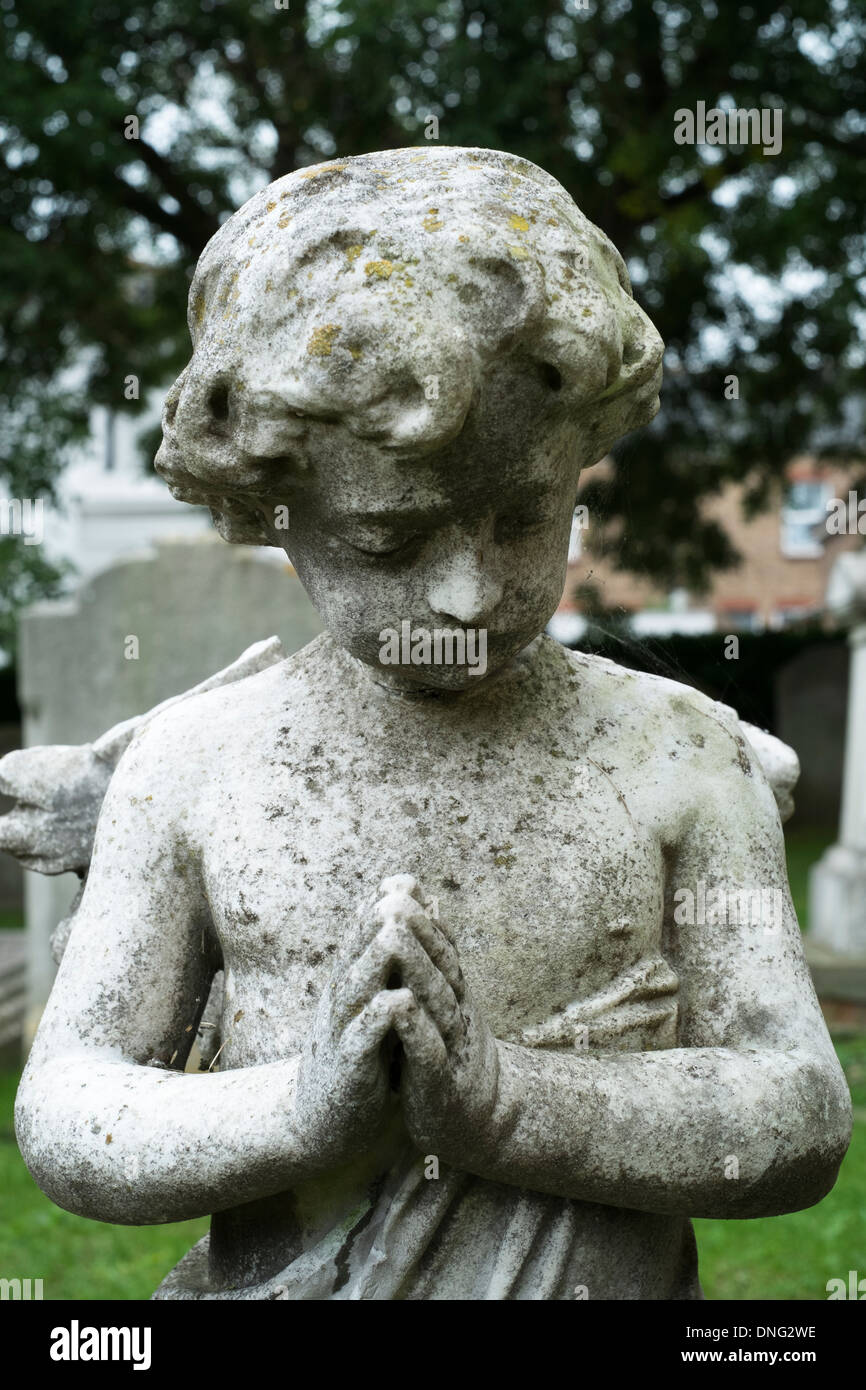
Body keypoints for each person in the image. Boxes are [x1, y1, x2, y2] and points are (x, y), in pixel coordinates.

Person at [14, 148, 851, 1300]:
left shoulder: (680, 757)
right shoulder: (195, 768)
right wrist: (302, 1108)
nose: (467, 594)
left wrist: (506, 1104)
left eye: (523, 518)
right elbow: (70, 1108)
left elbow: (797, 1109)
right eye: (389, 541)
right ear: (274, 508)